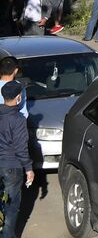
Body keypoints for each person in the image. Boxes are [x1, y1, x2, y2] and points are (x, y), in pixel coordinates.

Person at [0, 80, 33, 238]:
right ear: (18, 97)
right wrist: (28, 168)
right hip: (12, 167)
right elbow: (21, 148)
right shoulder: (18, 119)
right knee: (11, 207)